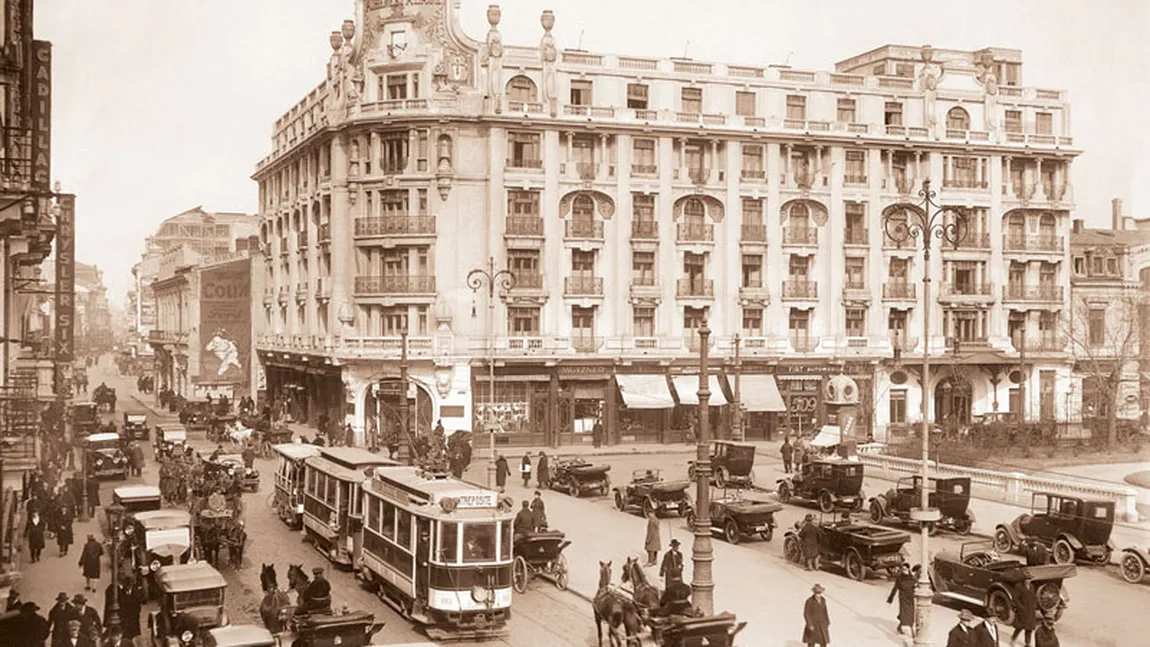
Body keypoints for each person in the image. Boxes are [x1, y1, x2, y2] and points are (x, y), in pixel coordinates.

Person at [887, 562, 915, 636]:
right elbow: (895, 588)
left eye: (906, 569)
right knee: (904, 613)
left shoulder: (912, 578)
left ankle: (903, 627)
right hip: (903, 598)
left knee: (911, 614)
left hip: (911, 598)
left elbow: (915, 588)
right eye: (903, 569)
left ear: (909, 569)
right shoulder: (900, 579)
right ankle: (907, 628)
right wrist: (891, 598)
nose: (904, 570)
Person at [802, 583, 831, 647]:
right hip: (813, 624)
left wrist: (827, 621)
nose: (818, 595)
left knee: (823, 642)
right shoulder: (809, 601)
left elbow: (825, 611)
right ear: (814, 593)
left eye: (820, 593)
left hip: (822, 624)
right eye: (817, 593)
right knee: (811, 642)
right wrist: (810, 624)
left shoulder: (823, 600)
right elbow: (806, 613)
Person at [1011, 579, 1037, 647]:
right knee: (1020, 626)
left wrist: (1034, 606)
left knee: (1029, 628)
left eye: (1029, 579)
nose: (1028, 581)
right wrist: (1020, 607)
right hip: (1022, 610)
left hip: (1030, 610)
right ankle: (1013, 639)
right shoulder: (1019, 586)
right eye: (1027, 579)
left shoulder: (1032, 586)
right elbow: (1016, 598)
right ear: (1024, 580)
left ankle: (1027, 643)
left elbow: (1034, 597)